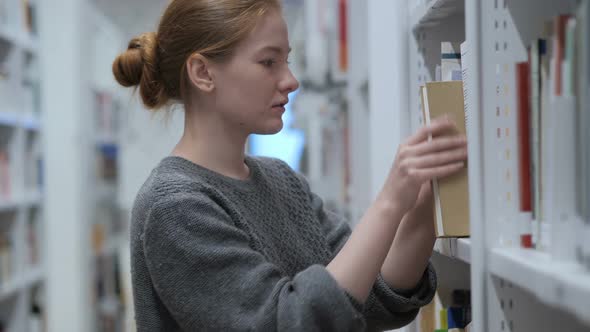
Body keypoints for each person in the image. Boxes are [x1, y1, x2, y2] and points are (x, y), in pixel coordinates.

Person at [112, 0, 468, 331]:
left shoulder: (281, 181)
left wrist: (422, 207)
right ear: (203, 72)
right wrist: (390, 202)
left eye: (287, 61)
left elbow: (366, 295)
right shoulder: (174, 206)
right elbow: (289, 322)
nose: (291, 81)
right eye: (269, 62)